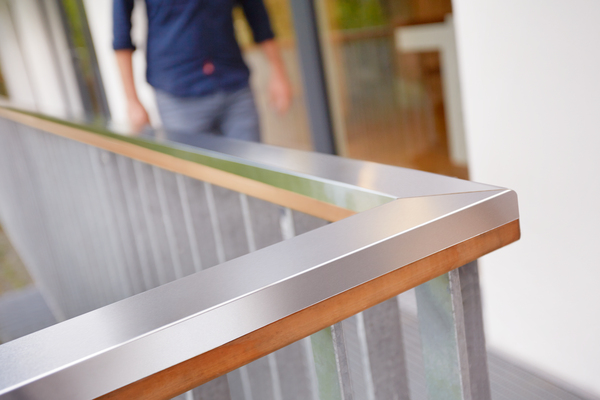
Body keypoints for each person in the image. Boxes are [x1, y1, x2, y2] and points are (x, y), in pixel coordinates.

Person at [112, 0, 292, 143]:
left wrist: (278, 72)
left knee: (252, 170)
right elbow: (121, 33)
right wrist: (132, 101)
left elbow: (257, 16)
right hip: (178, 96)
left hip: (234, 86)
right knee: (195, 175)